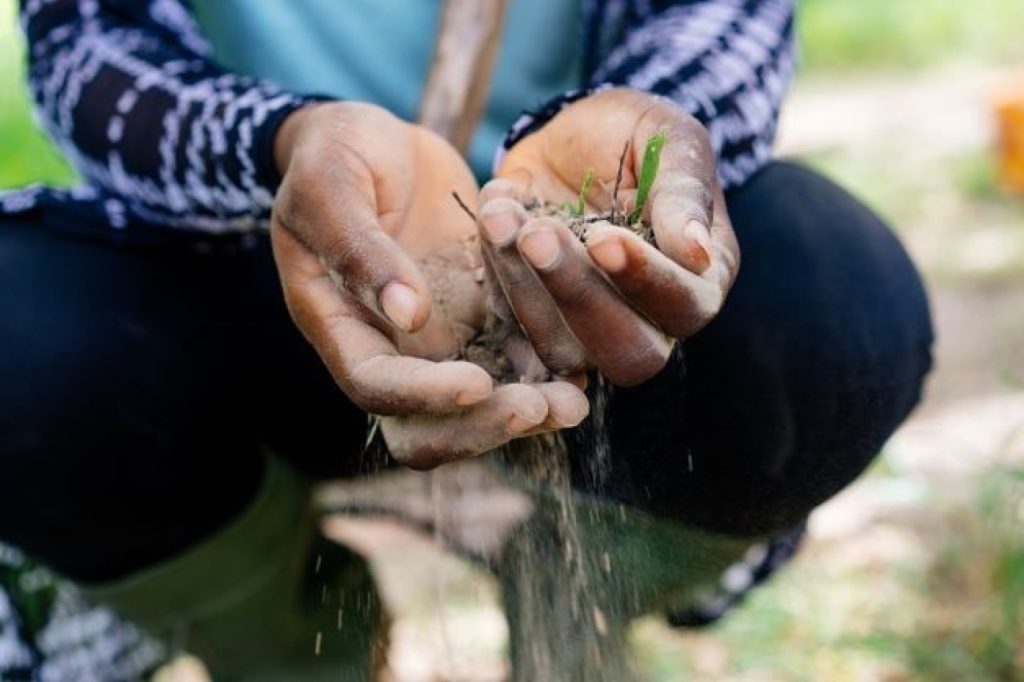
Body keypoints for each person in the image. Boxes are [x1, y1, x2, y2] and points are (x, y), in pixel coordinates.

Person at [0, 0, 933, 679]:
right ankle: (290, 648)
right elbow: (89, 46)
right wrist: (284, 141)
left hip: (586, 278)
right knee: (23, 331)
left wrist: (636, 137)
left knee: (837, 305)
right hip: (265, 253)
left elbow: (722, 21)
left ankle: (573, 605)